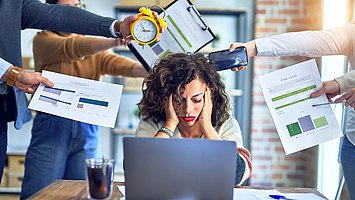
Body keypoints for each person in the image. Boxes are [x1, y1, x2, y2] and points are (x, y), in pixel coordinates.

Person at [0, 0, 151, 186]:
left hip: (87, 127)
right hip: (52, 126)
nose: (73, 12)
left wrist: (151, 68)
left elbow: (119, 64)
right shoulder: (43, 40)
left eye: (78, 7)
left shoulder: (94, 48)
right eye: (66, 7)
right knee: (40, 193)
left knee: (83, 191)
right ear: (52, 9)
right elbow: (73, 46)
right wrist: (116, 38)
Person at [229, 23, 355, 198]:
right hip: (353, 138)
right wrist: (252, 47)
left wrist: (343, 82)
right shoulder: (352, 33)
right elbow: (307, 41)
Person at [135, 53, 252, 185]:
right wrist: (169, 125)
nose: (187, 110)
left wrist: (207, 127)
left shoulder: (225, 124)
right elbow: (137, 171)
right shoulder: (152, 122)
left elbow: (237, 175)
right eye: (179, 100)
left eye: (196, 100)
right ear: (165, 97)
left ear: (209, 96)